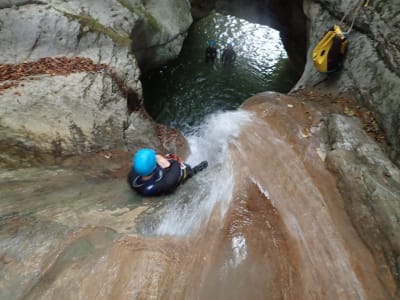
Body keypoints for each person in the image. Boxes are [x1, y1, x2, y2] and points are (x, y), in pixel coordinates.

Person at [127, 148, 208, 197]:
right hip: (169, 186)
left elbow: (141, 165)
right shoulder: (167, 182)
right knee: (186, 170)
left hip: (152, 182)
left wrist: (157, 159)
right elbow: (176, 164)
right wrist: (162, 159)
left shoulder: (132, 177)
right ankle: (198, 169)